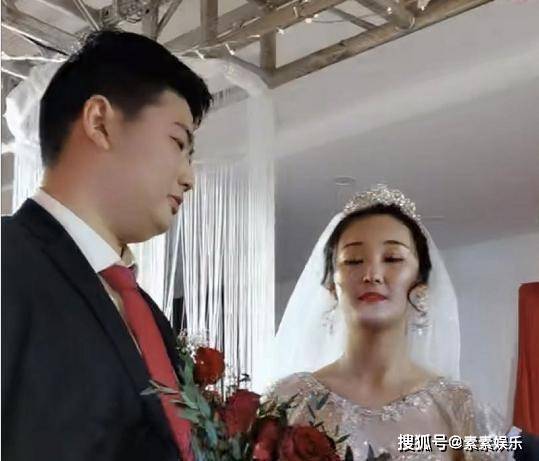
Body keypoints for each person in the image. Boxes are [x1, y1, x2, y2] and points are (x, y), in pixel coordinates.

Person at [2, 30, 212, 461]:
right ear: (99, 122)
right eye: (178, 143)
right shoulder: (8, 260)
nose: (188, 177)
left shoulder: (148, 316)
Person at [266, 185, 511, 460]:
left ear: (420, 284)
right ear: (332, 286)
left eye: (392, 258)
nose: (372, 274)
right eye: (353, 260)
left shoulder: (460, 408)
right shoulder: (288, 401)